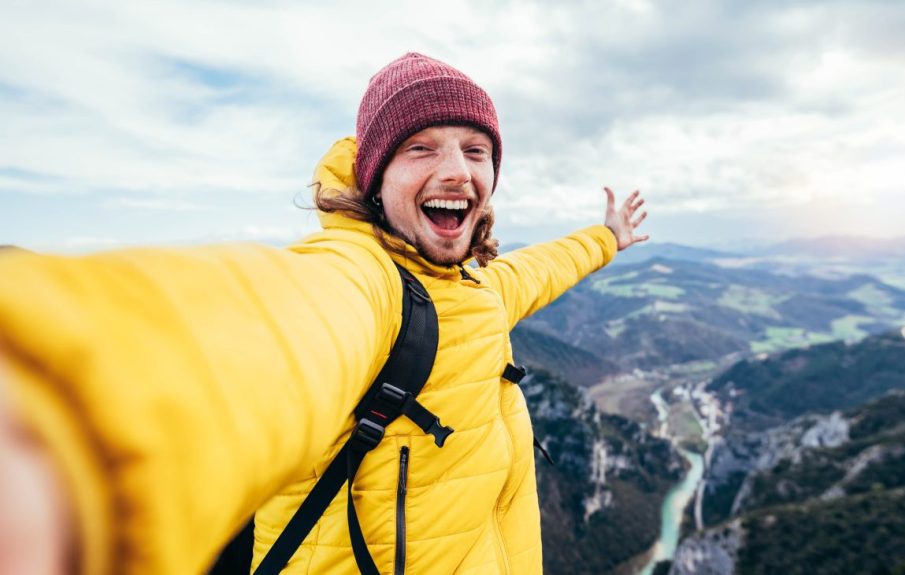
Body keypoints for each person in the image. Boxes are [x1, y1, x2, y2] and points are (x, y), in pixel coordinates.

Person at [0, 52, 648, 574]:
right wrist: (65, 421)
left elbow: (535, 271)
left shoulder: (475, 287)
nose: (457, 171)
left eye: (475, 151)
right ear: (374, 176)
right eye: (421, 148)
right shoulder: (363, 281)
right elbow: (274, 332)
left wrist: (606, 238)